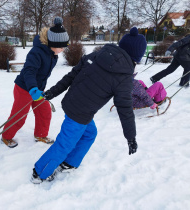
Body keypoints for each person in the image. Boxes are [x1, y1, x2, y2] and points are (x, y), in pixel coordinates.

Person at [31, 27, 147, 184]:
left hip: (74, 104)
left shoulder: (98, 54)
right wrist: (131, 136)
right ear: (137, 56)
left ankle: (69, 162)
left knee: (89, 133)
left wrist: (53, 92)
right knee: (65, 144)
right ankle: (40, 173)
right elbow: (125, 108)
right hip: (80, 113)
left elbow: (71, 76)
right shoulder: (124, 75)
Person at [1, 17, 69, 148]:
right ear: (52, 43)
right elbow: (29, 71)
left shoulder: (52, 54)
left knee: (44, 111)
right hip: (25, 88)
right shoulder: (37, 53)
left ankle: (40, 134)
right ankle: (6, 136)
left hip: (38, 89)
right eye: (61, 47)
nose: (63, 50)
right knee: (19, 116)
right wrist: (32, 88)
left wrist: (38, 88)